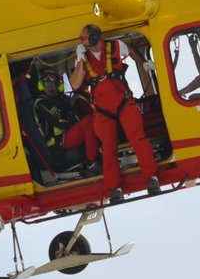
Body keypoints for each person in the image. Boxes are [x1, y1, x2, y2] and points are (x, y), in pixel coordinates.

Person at [68, 23, 160, 203]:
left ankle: (152, 177)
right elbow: (74, 84)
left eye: (84, 38)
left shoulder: (116, 46)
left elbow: (131, 50)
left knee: (138, 138)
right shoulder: (83, 58)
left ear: (94, 37)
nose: (81, 41)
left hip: (124, 102)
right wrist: (79, 59)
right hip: (103, 110)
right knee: (108, 148)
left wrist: (144, 63)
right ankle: (115, 188)